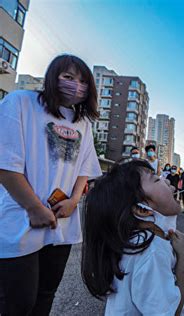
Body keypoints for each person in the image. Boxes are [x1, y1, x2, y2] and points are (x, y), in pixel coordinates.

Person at [0, 54, 103, 315]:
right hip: (21, 218)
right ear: (51, 76)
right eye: (68, 77)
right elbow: (5, 164)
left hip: (61, 222)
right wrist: (34, 208)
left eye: (82, 81)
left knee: (45, 295)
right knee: (18, 302)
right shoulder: (20, 102)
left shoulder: (83, 123)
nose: (76, 85)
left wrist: (73, 200)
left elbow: (85, 169)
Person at [81, 159, 184, 315]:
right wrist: (182, 258)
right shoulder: (153, 251)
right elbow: (171, 312)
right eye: (155, 179)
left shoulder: (131, 240)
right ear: (142, 210)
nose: (168, 181)